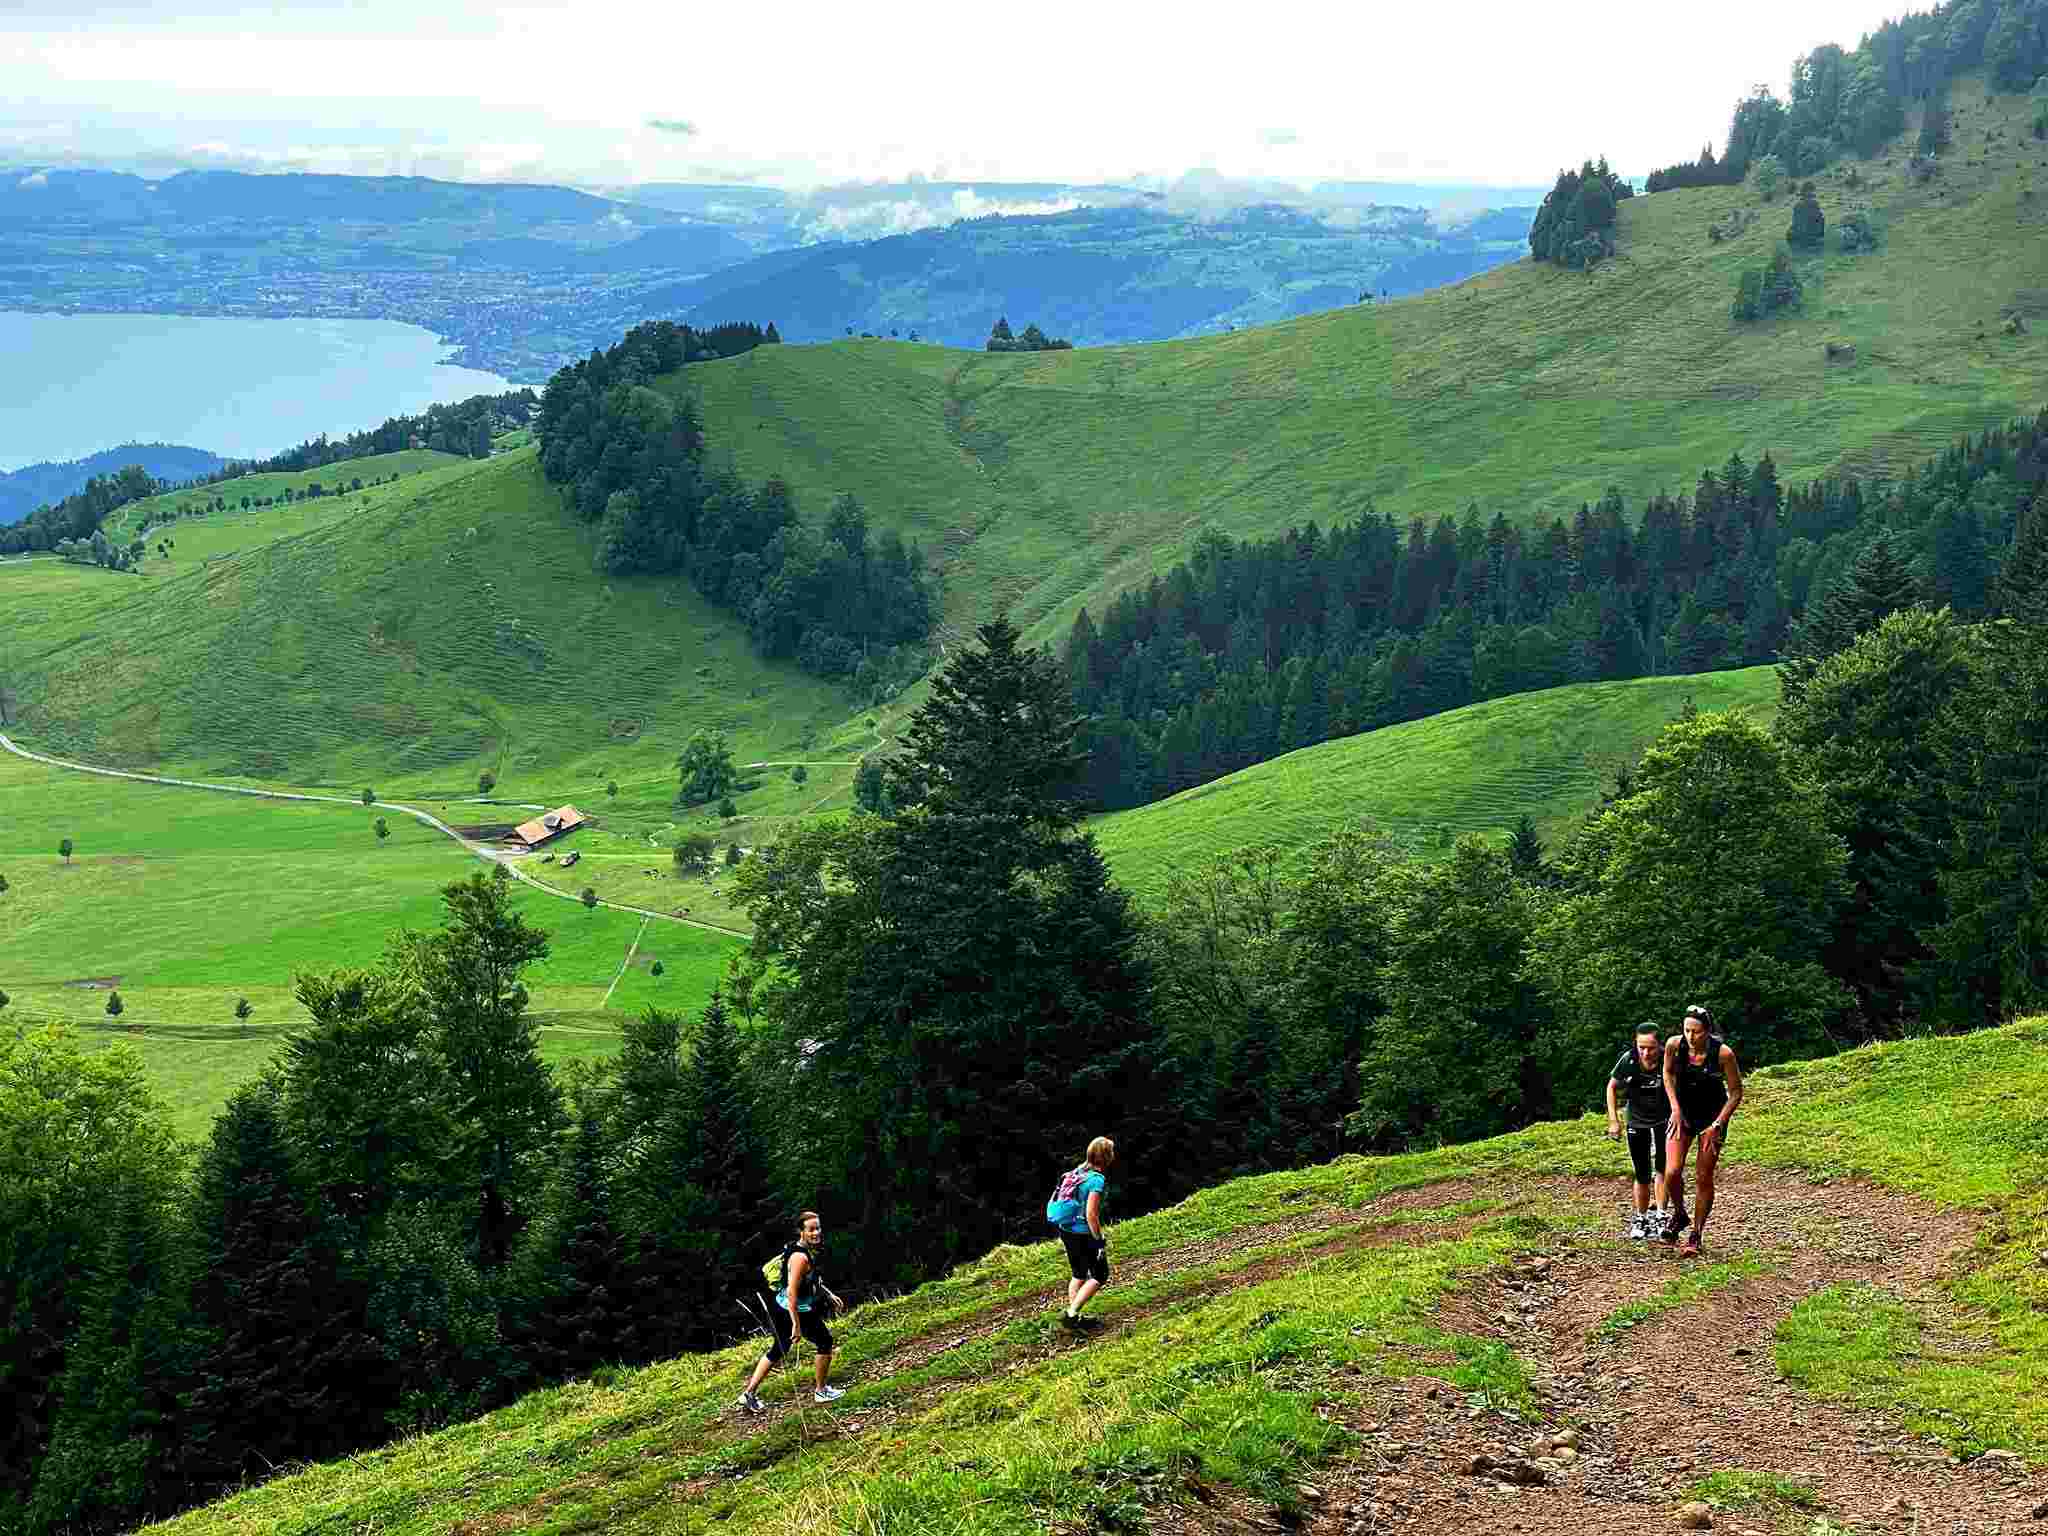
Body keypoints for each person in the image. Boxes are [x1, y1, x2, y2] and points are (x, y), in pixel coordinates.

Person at [736, 1211, 846, 1414]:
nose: (816, 1233)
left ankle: (748, 1394)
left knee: (779, 1348)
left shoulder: (803, 1249)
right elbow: (793, 1292)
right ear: (801, 1231)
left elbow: (811, 1279)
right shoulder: (800, 1257)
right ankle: (821, 1391)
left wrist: (828, 1294)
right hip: (795, 1309)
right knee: (825, 1342)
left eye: (818, 1228)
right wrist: (796, 1324)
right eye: (811, 1229)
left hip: (781, 1306)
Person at [1659, 1005, 1744, 1258]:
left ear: (1707, 1031)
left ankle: (1696, 1234)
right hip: (1682, 1114)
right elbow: (1667, 1073)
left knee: (1703, 1175)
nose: (1690, 1036)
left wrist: (1717, 1125)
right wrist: (1674, 1108)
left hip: (1712, 1118)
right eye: (1686, 1030)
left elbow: (1736, 1092)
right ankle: (1679, 1214)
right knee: (1672, 1171)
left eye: (1696, 1032)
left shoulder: (1723, 1054)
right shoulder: (1675, 1046)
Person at [1606, 1022, 1670, 1239]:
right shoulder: (1629, 1059)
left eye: (1651, 1048)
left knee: (1663, 1169)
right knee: (1642, 1173)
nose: (1645, 1052)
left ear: (1659, 1045)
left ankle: (1662, 1216)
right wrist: (1614, 1120)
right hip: (1637, 1120)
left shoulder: (1669, 1058)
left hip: (1664, 1120)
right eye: (1641, 1046)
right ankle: (1641, 1218)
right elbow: (1612, 1087)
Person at [1046, 1136, 1115, 1332]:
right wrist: (1099, 1240)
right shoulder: (1096, 1180)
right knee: (1100, 1275)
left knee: (1078, 1274)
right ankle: (1070, 1315)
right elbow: (1091, 1214)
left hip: (1066, 1230)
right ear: (1107, 1157)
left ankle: (1074, 1318)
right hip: (1084, 1234)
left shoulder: (1077, 1171)